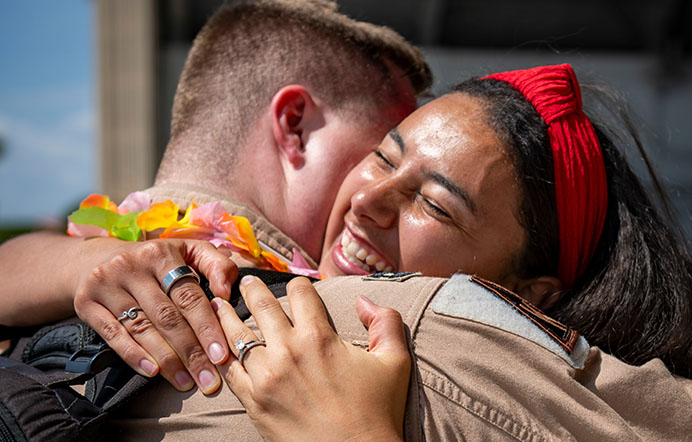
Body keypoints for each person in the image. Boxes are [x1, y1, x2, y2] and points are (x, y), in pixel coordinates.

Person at [2, 64, 692, 440]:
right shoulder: (222, 249)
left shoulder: (469, 364)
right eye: (384, 154)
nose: (371, 196)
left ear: (531, 295)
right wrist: (85, 268)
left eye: (434, 201)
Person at [0, 0, 431, 395]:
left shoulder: (57, 274)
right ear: (296, 125)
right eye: (383, 154)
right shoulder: (324, 323)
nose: (379, 191)